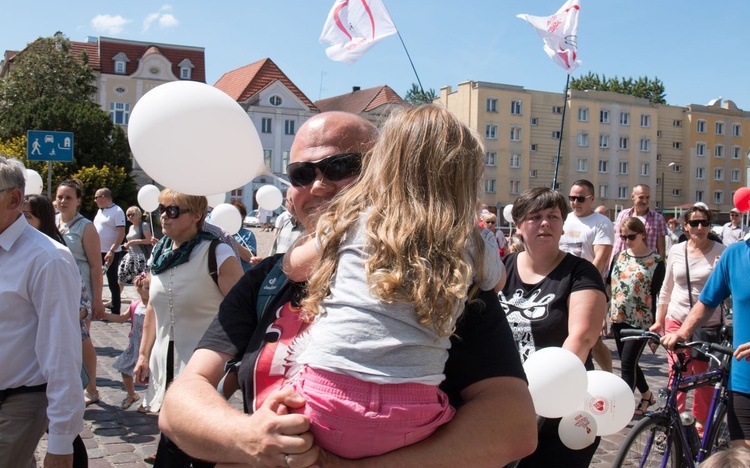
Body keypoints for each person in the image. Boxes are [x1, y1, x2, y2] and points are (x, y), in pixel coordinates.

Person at [158, 111, 537, 467]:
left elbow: (513, 427)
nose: (319, 185)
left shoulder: (443, 274)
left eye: (340, 167)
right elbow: (181, 401)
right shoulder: (268, 280)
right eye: (301, 174)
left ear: (386, 171)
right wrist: (249, 439)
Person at [279, 105, 505, 458]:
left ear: (381, 166)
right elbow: (497, 281)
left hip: (323, 403)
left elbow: (294, 268)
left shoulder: (355, 219)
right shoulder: (475, 244)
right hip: (414, 414)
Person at [133, 189, 243, 465]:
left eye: (173, 210)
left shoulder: (217, 252)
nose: (164, 216)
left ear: (196, 215)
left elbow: (242, 312)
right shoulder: (159, 252)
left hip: (204, 367)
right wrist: (144, 354)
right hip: (165, 360)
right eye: (162, 209)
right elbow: (152, 310)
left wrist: (234, 370)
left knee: (194, 446)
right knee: (173, 437)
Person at [499, 187, 607, 467]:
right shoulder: (501, 269)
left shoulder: (581, 273)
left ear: (562, 226)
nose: (545, 222)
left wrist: (544, 392)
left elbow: (581, 338)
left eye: (553, 216)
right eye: (535, 216)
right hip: (507, 402)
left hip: (563, 407)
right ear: (520, 226)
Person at [0, 156, 84, 466]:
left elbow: (61, 352)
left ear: (14, 198)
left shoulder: (48, 259)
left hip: (17, 401)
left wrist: (61, 442)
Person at [662, 238, 750, 449]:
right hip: (744, 378)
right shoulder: (735, 254)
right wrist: (683, 332)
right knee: (742, 453)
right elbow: (707, 301)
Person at [22, 193, 90, 466]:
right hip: (27, 361)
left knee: (62, 428)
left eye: (27, 216)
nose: (21, 221)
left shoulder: (53, 254)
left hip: (49, 356)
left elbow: (89, 275)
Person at [651, 205, 726, 437]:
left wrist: (720, 273)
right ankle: (674, 423)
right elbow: (666, 288)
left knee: (702, 378)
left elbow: (729, 291)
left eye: (704, 223)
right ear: (686, 226)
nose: (700, 227)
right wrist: (658, 321)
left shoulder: (722, 252)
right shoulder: (676, 250)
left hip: (707, 325)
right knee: (677, 372)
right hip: (676, 320)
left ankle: (701, 426)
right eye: (694, 223)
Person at [608, 217, 665, 415]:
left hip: (641, 320)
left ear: (643, 234)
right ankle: (647, 395)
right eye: (623, 237)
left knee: (627, 362)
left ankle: (621, 408)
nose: (627, 241)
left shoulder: (656, 262)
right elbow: (610, 285)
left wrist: (658, 326)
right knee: (630, 362)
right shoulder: (619, 256)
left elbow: (659, 294)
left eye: (631, 236)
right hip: (618, 317)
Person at [57, 179, 105, 407]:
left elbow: (96, 265)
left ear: (78, 201)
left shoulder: (85, 227)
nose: (63, 201)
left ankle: (91, 388)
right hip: (59, 290)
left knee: (81, 340)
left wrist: (97, 299)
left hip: (80, 293)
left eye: (68, 197)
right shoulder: (53, 222)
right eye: (59, 197)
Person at [559, 179, 615, 373]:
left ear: (591, 199)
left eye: (580, 198)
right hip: (561, 283)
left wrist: (583, 285)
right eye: (572, 198)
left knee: (593, 339)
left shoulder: (601, 223)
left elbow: (601, 258)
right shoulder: (563, 219)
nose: (575, 202)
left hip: (587, 285)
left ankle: (609, 375)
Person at [103, 272, 150, 410]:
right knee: (125, 370)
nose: (151, 291)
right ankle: (131, 394)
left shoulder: (157, 306)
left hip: (149, 345)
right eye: (148, 288)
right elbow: (121, 319)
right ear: (138, 288)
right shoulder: (134, 305)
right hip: (135, 344)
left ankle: (149, 401)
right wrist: (104, 314)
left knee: (150, 376)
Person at [611, 184, 668, 261]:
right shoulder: (622, 215)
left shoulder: (658, 218)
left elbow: (661, 249)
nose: (645, 201)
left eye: (647, 197)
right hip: (621, 263)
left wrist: (660, 268)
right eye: (641, 197)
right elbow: (616, 242)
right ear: (632, 197)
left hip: (646, 266)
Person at [94, 188, 127, 315]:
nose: (95, 200)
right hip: (97, 250)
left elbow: (121, 232)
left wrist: (112, 250)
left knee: (112, 280)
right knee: (96, 279)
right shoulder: (100, 211)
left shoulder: (117, 211)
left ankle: (115, 309)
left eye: (96, 197)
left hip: (110, 252)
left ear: (103, 197)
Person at [118, 206, 152, 286]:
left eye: (132, 214)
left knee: (140, 282)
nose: (130, 217)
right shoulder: (130, 227)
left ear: (138, 214)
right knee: (121, 278)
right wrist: (127, 244)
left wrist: (134, 242)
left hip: (140, 257)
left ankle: (143, 298)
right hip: (130, 256)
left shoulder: (144, 225)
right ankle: (116, 298)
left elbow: (149, 240)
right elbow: (130, 241)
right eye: (128, 215)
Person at [230, 200, 259, 272]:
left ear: (242, 217)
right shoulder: (218, 233)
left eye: (235, 213)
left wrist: (232, 240)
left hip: (241, 275)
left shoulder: (248, 234)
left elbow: (250, 258)